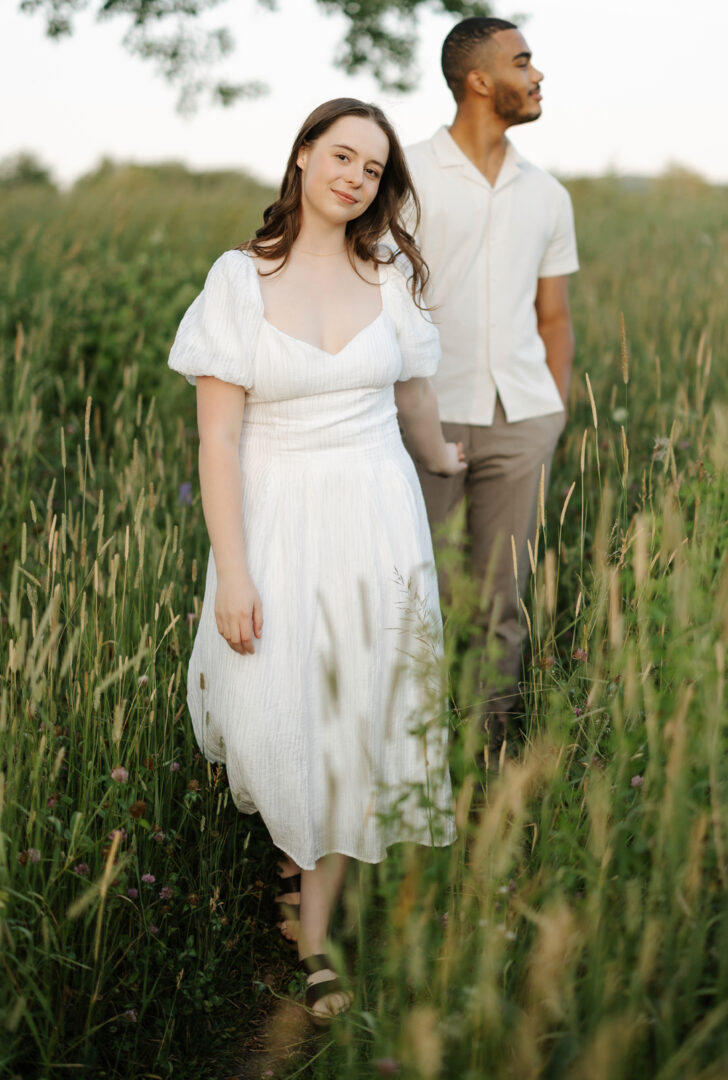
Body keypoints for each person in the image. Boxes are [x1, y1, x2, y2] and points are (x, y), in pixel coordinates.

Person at [167, 98, 464, 1023]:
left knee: (359, 713)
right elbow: (219, 442)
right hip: (277, 514)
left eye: (373, 169)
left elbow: (410, 399)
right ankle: (293, 857)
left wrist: (448, 455)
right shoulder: (237, 281)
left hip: (378, 515)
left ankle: (320, 933)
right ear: (302, 157)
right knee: (274, 710)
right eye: (341, 155)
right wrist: (236, 571)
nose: (354, 177)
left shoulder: (389, 279)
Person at [404, 17, 579, 753]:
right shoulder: (404, 174)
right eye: (523, 62)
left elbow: (554, 315)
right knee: (419, 599)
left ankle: (486, 764)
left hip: (522, 419)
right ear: (479, 80)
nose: (538, 75)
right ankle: (416, 758)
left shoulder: (547, 194)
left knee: (500, 604)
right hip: (423, 419)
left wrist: (555, 414)